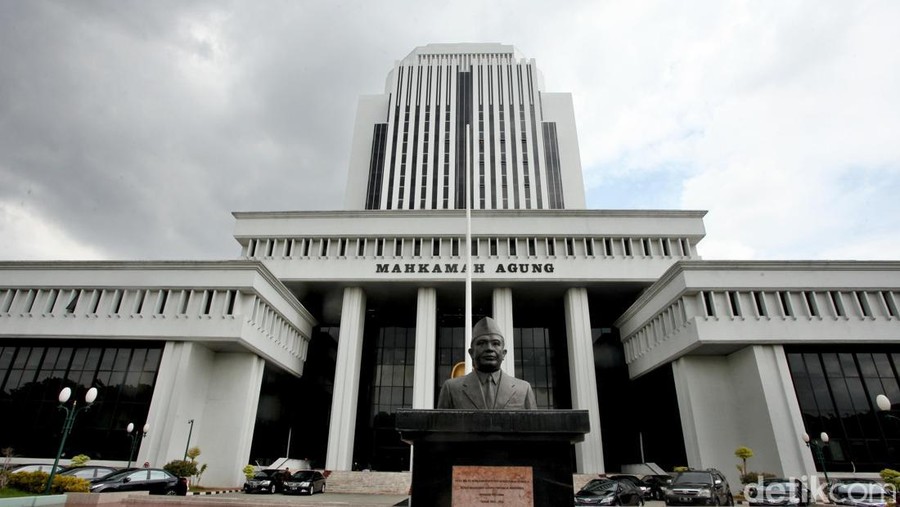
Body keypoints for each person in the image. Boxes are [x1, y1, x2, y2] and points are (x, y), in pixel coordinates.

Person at [437, 316, 537, 409]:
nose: (489, 348)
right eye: (481, 343)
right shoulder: (451, 389)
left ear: (503, 353)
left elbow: (534, 427)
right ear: (471, 353)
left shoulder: (523, 389)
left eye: (495, 343)